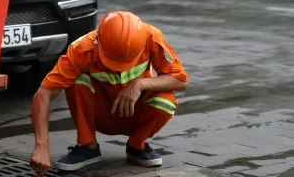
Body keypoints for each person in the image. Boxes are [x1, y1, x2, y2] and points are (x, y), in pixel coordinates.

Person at [29, 11, 188, 176]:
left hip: (136, 113)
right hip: (101, 115)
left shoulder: (152, 38)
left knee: (166, 99)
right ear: (98, 41)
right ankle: (87, 146)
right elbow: (43, 94)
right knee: (77, 80)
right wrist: (41, 146)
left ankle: (136, 145)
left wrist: (140, 84)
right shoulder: (81, 49)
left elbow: (181, 80)